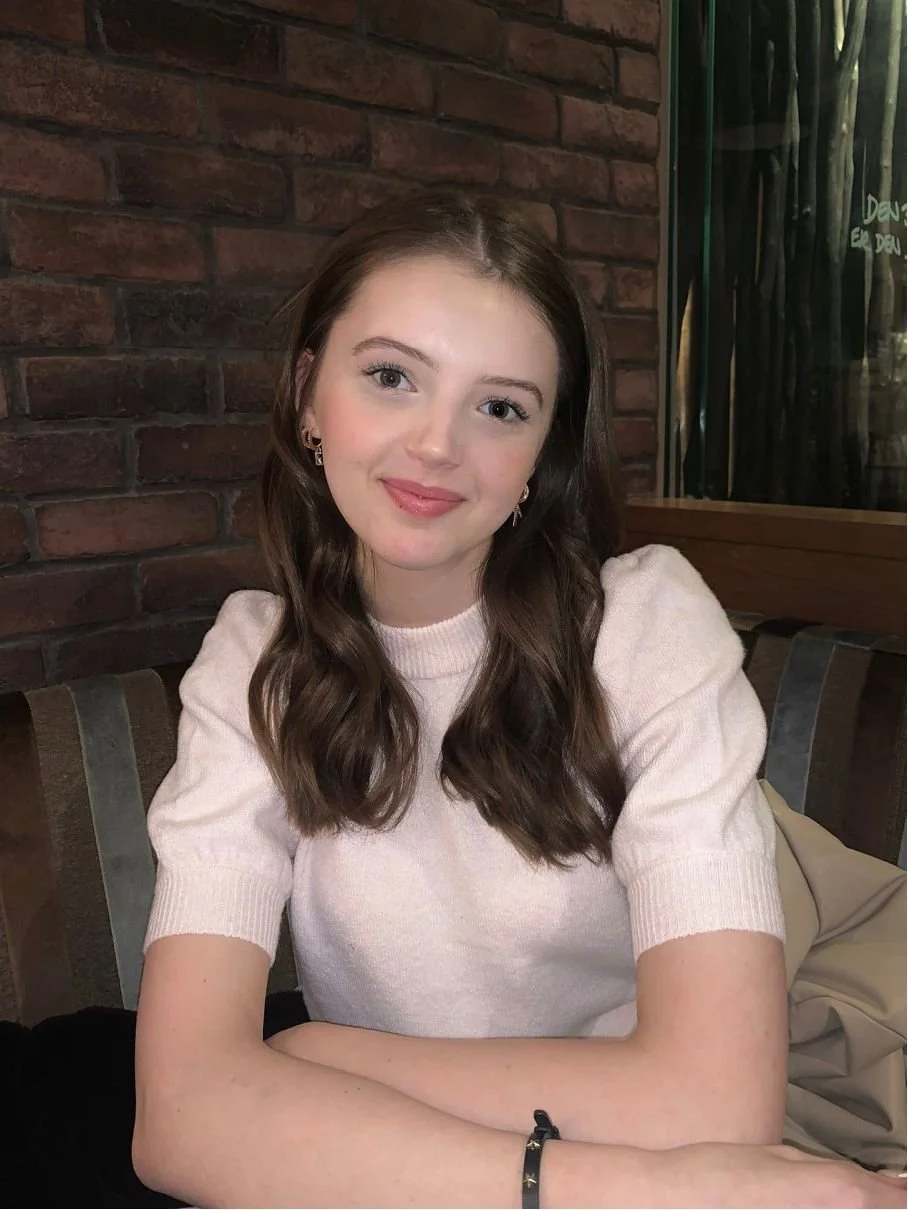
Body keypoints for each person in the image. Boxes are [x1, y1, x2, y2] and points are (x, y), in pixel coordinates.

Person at [133, 193, 905, 1208]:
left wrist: (321, 1057)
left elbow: (717, 1107)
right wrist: (575, 1182)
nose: (435, 444)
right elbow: (180, 1122)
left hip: (829, 1079)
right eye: (389, 375)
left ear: (541, 458)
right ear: (307, 394)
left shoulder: (640, 628)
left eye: (499, 406)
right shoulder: (249, 669)